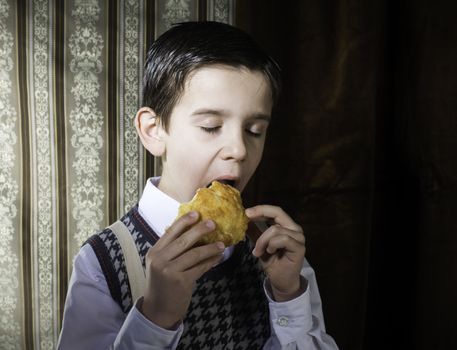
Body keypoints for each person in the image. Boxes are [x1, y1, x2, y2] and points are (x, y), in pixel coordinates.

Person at [57, 21, 339, 350]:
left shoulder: (276, 252)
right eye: (210, 126)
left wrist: (289, 297)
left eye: (255, 130)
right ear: (153, 130)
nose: (239, 150)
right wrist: (156, 318)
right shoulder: (101, 264)